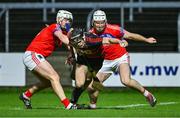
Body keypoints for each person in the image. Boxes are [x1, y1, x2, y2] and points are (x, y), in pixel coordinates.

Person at [90, 10, 157, 107]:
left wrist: (146, 40)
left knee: (126, 80)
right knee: (95, 85)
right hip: (105, 62)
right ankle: (92, 106)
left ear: (105, 21)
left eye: (102, 22)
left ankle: (147, 94)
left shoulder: (114, 29)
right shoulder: (90, 34)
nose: (99, 25)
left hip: (120, 57)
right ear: (93, 22)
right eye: (97, 22)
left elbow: (130, 35)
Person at [19, 10, 77, 109]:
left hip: (35, 56)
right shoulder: (55, 27)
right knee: (54, 77)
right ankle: (68, 105)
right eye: (66, 20)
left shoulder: (62, 32)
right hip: (33, 54)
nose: (68, 22)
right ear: (59, 20)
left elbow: (69, 46)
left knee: (47, 82)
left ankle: (26, 95)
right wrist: (74, 37)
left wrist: (71, 54)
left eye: (70, 21)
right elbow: (65, 40)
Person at [68, 28, 128, 109]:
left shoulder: (92, 40)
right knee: (79, 84)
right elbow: (71, 45)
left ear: (83, 37)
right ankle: (72, 103)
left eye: (79, 42)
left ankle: (89, 103)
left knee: (89, 82)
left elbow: (108, 40)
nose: (78, 44)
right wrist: (71, 55)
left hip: (97, 61)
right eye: (76, 42)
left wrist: (120, 41)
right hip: (82, 60)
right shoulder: (73, 41)